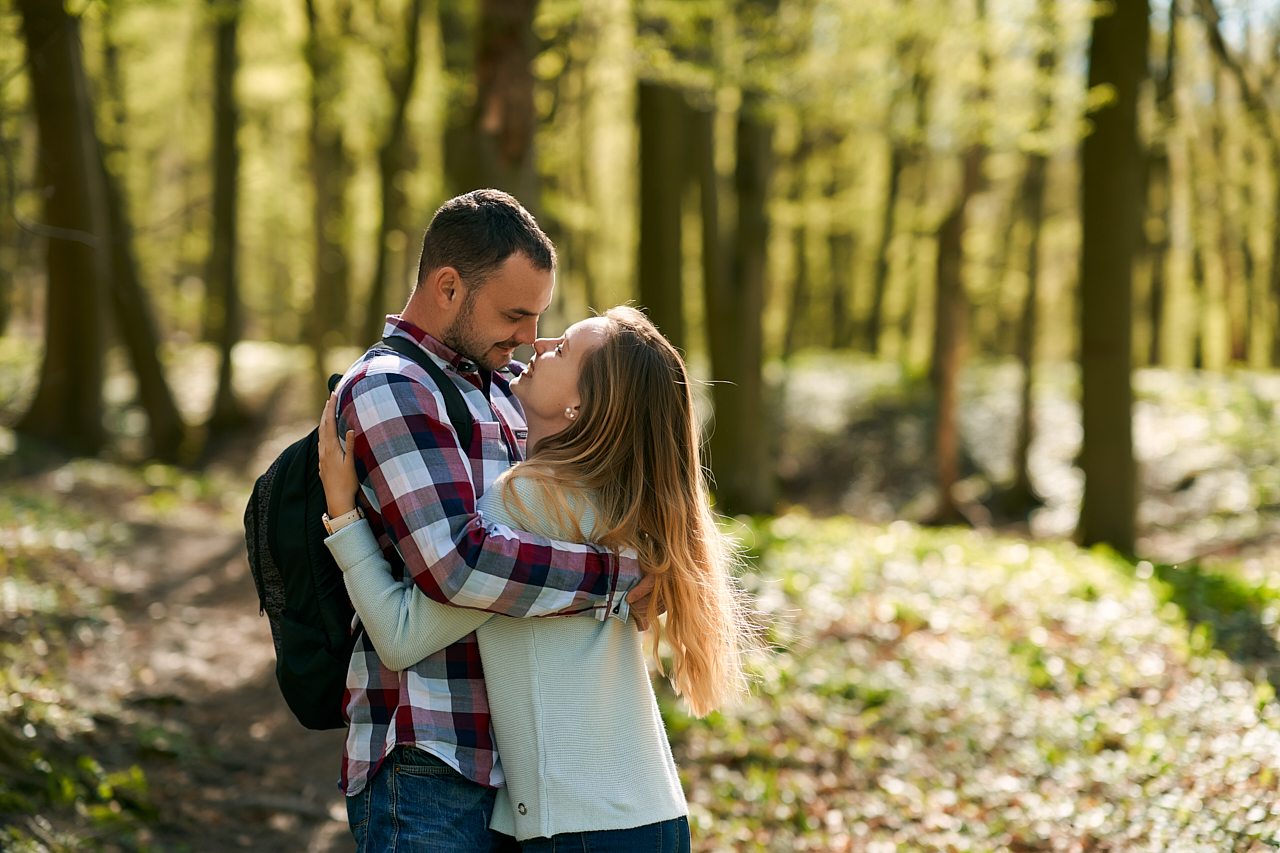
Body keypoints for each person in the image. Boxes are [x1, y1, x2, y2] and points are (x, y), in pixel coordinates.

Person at [319, 305, 753, 851]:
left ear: (580, 406)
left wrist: (343, 512)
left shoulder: (527, 502)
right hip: (649, 814)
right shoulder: (617, 507)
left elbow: (401, 636)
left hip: (580, 827)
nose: (541, 342)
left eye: (564, 348)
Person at [328, 190, 651, 853]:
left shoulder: (502, 389)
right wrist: (618, 576)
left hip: (519, 766)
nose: (530, 338)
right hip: (427, 758)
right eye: (513, 314)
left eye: (537, 317)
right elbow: (460, 566)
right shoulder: (393, 385)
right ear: (448, 286)